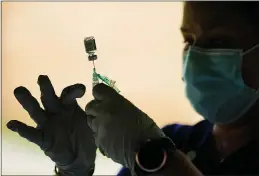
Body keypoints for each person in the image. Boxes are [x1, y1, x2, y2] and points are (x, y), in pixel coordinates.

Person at [7, 1, 259, 175]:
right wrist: (73, 171)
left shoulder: (155, 151)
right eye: (188, 40)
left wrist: (155, 158)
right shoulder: (176, 140)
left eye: (218, 41)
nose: (194, 57)